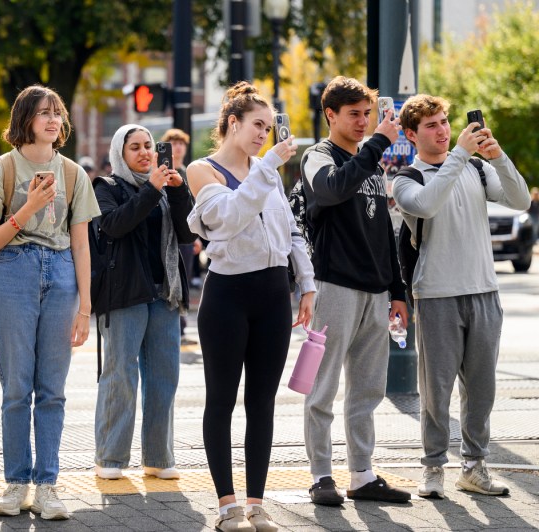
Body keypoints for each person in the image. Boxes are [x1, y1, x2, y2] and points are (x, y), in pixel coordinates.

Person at [186, 81, 315, 532]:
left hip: (274, 294)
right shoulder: (202, 170)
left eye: (270, 125)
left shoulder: (267, 169)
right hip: (227, 296)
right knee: (221, 400)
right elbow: (229, 218)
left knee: (263, 402)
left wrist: (307, 282)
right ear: (233, 123)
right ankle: (227, 506)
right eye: (257, 125)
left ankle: (257, 505)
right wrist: (271, 165)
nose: (265, 133)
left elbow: (291, 231)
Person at [0, 85, 99, 521]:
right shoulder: (0, 170)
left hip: (61, 274)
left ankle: (47, 486)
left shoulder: (74, 174)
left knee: (53, 390)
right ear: (24, 119)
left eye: (57, 113)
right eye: (43, 113)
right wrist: (27, 210)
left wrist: (85, 307)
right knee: (16, 387)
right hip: (14, 271)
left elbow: (81, 245)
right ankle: (15, 483)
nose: (53, 120)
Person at [393, 94, 529, 499]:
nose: (443, 130)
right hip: (436, 294)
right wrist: (458, 156)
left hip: (484, 290)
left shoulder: (475, 167)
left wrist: (498, 155)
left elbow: (521, 199)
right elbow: (427, 205)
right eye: (432, 125)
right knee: (436, 390)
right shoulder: (406, 178)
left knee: (482, 390)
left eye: (445, 122)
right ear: (412, 134)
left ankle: (474, 466)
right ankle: (434, 467)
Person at [300, 76, 410, 505]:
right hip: (334, 285)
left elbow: (385, 232)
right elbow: (331, 189)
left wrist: (397, 290)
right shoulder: (318, 156)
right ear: (331, 115)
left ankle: (362, 475)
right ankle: (320, 476)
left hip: (375, 290)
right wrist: (376, 145)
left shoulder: (370, 164)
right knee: (322, 385)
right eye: (354, 114)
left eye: (367, 114)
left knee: (368, 387)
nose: (364, 122)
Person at [91, 124, 195, 483]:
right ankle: (110, 456)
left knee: (165, 377)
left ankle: (158, 456)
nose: (144, 152)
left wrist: (179, 193)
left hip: (164, 293)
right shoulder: (106, 187)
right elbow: (115, 225)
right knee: (120, 375)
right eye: (134, 147)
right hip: (124, 294)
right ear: (120, 153)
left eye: (148, 145)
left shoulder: (165, 190)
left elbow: (188, 233)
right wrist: (152, 188)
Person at [160, 128, 197, 344]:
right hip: (169, 232)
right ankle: (176, 327)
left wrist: (198, 238)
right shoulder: (161, 171)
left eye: (182, 143)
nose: (179, 147)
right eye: (174, 143)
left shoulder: (190, 171)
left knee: (184, 279)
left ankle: (181, 328)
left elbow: (195, 206)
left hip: (186, 234)